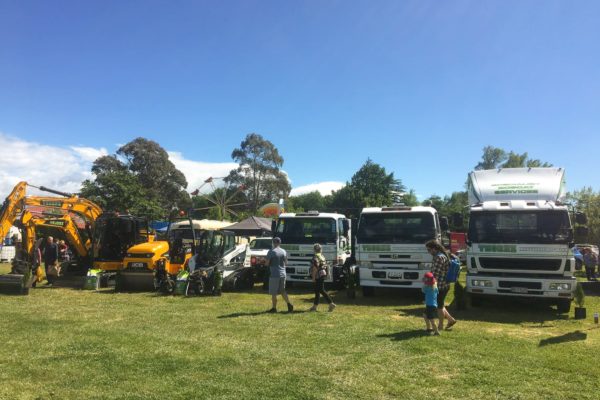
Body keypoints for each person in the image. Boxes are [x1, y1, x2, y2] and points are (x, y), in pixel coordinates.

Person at [425, 239, 457, 331]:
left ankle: (440, 326)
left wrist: (429, 284)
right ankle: (451, 320)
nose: (429, 252)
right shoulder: (443, 255)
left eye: (429, 250)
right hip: (444, 285)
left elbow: (435, 274)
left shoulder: (439, 257)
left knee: (439, 307)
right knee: (441, 304)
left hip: (440, 286)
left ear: (435, 248)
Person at [265, 237, 293, 313]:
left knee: (274, 292)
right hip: (283, 273)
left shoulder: (271, 251)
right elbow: (286, 263)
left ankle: (274, 308)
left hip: (274, 274)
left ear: (273, 243)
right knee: (283, 290)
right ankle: (289, 304)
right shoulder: (283, 251)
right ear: (280, 243)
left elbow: (267, 263)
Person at [309, 243, 336, 312]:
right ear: (320, 249)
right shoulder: (322, 256)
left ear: (314, 250)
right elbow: (325, 266)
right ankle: (314, 307)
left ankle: (331, 304)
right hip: (322, 274)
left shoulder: (315, 257)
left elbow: (315, 268)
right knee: (317, 291)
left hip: (318, 275)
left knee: (321, 290)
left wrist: (313, 278)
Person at [422, 271, 440, 336]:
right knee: (425, 315)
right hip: (433, 305)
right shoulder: (435, 287)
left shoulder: (427, 288)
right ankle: (429, 328)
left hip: (430, 306)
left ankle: (436, 332)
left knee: (432, 320)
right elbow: (435, 294)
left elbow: (422, 290)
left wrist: (424, 284)